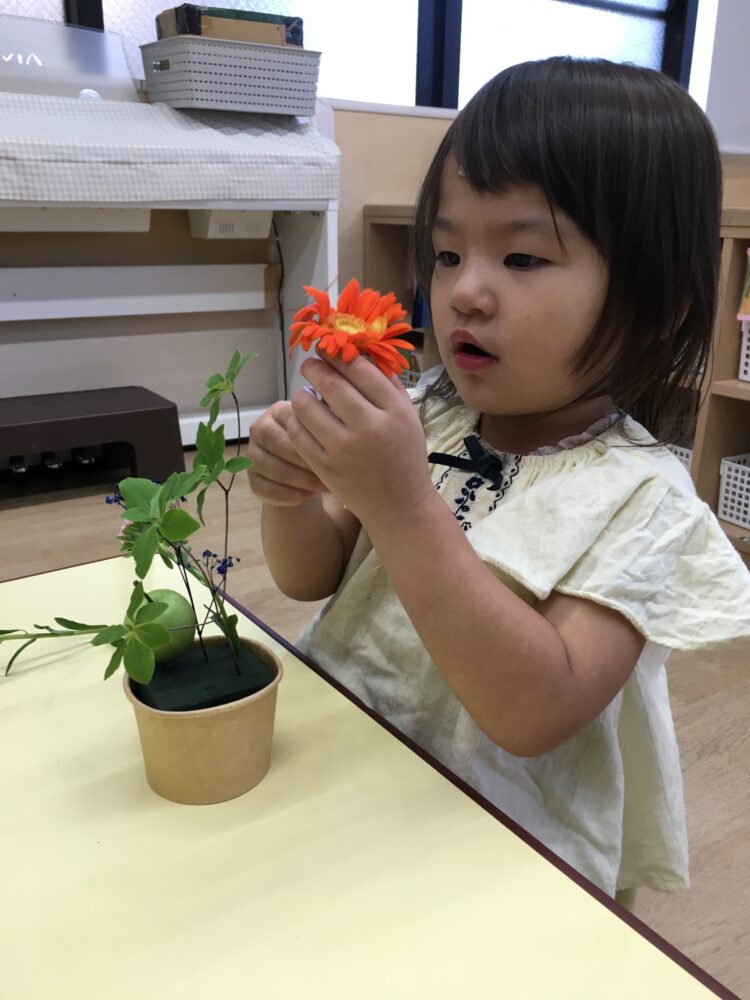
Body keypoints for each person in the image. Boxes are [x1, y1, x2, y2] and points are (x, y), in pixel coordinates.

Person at [246, 57, 750, 904]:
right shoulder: (429, 411)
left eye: (521, 256)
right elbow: (314, 575)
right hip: (353, 765)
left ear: (656, 307)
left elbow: (535, 710)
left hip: (505, 849)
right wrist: (292, 494)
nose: (464, 293)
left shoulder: (645, 500)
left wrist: (402, 501)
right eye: (447, 253)